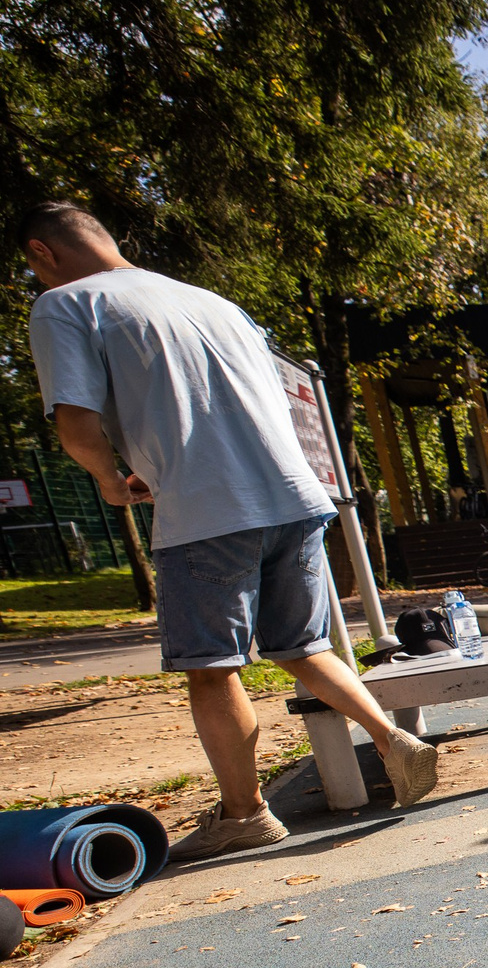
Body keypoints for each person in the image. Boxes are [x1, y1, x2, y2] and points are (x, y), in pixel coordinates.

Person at [19, 200, 441, 858]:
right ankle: (392, 739)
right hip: (293, 494)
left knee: (211, 669)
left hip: (204, 509)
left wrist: (109, 479)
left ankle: (244, 812)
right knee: (303, 646)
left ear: (42, 253)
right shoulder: (208, 300)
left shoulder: (68, 304)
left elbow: (76, 427)